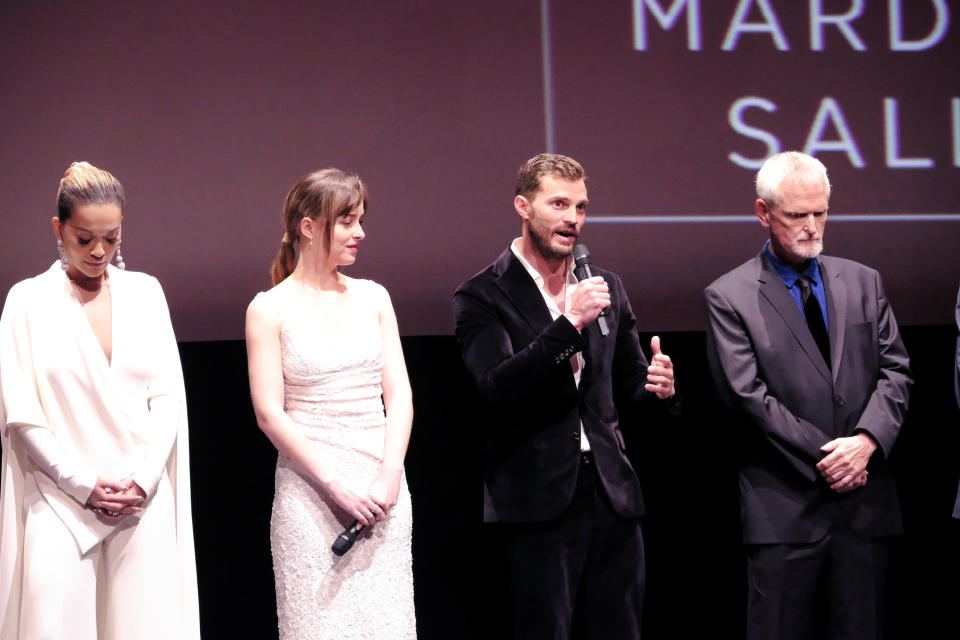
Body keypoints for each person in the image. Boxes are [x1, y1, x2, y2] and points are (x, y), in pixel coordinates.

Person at [453, 153, 677, 639]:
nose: (572, 218)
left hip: (612, 495)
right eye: (558, 204)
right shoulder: (482, 295)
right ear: (523, 206)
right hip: (536, 501)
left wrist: (658, 388)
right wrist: (568, 324)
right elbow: (495, 386)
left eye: (580, 207)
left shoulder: (604, 285)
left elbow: (628, 385)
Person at [704, 151, 913, 640]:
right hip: (785, 512)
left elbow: (897, 371)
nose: (812, 226)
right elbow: (746, 396)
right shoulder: (729, 295)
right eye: (798, 214)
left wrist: (865, 443)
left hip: (863, 508)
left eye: (821, 212)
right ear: (763, 213)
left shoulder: (864, 281)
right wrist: (833, 459)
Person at [0, 161, 200, 639]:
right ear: (59, 227)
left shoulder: (146, 294)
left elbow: (167, 396)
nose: (99, 251)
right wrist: (82, 484)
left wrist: (145, 481)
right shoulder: (27, 302)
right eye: (85, 238)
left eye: (111, 238)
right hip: (59, 501)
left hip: (139, 498)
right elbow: (22, 414)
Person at [245, 169, 416, 639]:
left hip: (383, 497)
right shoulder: (269, 308)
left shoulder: (374, 298)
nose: (359, 232)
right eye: (346, 221)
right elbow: (269, 413)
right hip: (310, 496)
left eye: (360, 220)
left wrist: (389, 475)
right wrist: (335, 485)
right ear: (308, 226)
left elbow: (398, 394)